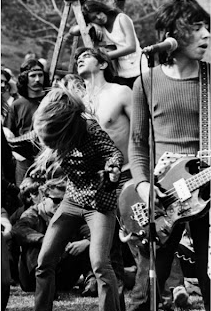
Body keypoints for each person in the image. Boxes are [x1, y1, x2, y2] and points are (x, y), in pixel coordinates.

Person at [128, 1, 210, 310]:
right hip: (165, 195)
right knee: (151, 279)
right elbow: (137, 143)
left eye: (207, 27)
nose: (205, 35)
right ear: (171, 35)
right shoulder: (145, 81)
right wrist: (142, 184)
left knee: (207, 272)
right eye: (196, 27)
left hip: (207, 189)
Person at [31, 86, 123, 311]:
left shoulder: (90, 129)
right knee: (44, 261)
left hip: (100, 203)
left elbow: (113, 153)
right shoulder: (55, 131)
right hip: (72, 200)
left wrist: (113, 169)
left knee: (100, 264)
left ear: (65, 127)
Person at [76, 46, 132, 309]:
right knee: (107, 252)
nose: (79, 59)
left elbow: (141, 134)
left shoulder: (121, 92)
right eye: (77, 58)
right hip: (95, 183)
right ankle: (114, 304)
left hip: (127, 177)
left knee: (139, 240)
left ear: (102, 64)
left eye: (86, 56)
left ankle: (166, 293)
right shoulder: (78, 103)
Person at [13, 178, 92, 293]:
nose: (60, 205)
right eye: (56, 200)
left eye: (64, 201)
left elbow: (92, 232)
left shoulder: (70, 215)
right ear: (44, 199)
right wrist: (48, 241)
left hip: (62, 276)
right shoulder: (32, 213)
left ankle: (91, 280)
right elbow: (18, 230)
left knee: (87, 244)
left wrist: (86, 242)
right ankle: (45, 285)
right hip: (32, 279)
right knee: (34, 243)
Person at [80, 0, 147, 88]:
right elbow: (73, 30)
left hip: (140, 68)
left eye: (99, 12)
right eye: (94, 18)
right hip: (122, 72)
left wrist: (104, 56)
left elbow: (131, 47)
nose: (99, 17)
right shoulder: (101, 28)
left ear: (102, 8)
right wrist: (91, 25)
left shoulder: (121, 18)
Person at [4, 59, 49, 187]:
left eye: (40, 75)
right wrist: (17, 154)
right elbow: (8, 132)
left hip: (48, 159)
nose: (37, 79)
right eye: (33, 76)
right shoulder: (17, 105)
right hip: (24, 161)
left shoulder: (51, 99)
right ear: (25, 78)